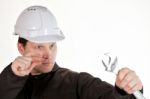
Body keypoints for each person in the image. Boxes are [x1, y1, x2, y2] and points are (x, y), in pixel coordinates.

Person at [0, 5, 143, 99]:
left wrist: (126, 91)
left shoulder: (77, 83)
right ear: (21, 47)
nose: (48, 55)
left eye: (52, 45)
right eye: (39, 47)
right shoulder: (8, 84)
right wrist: (13, 77)